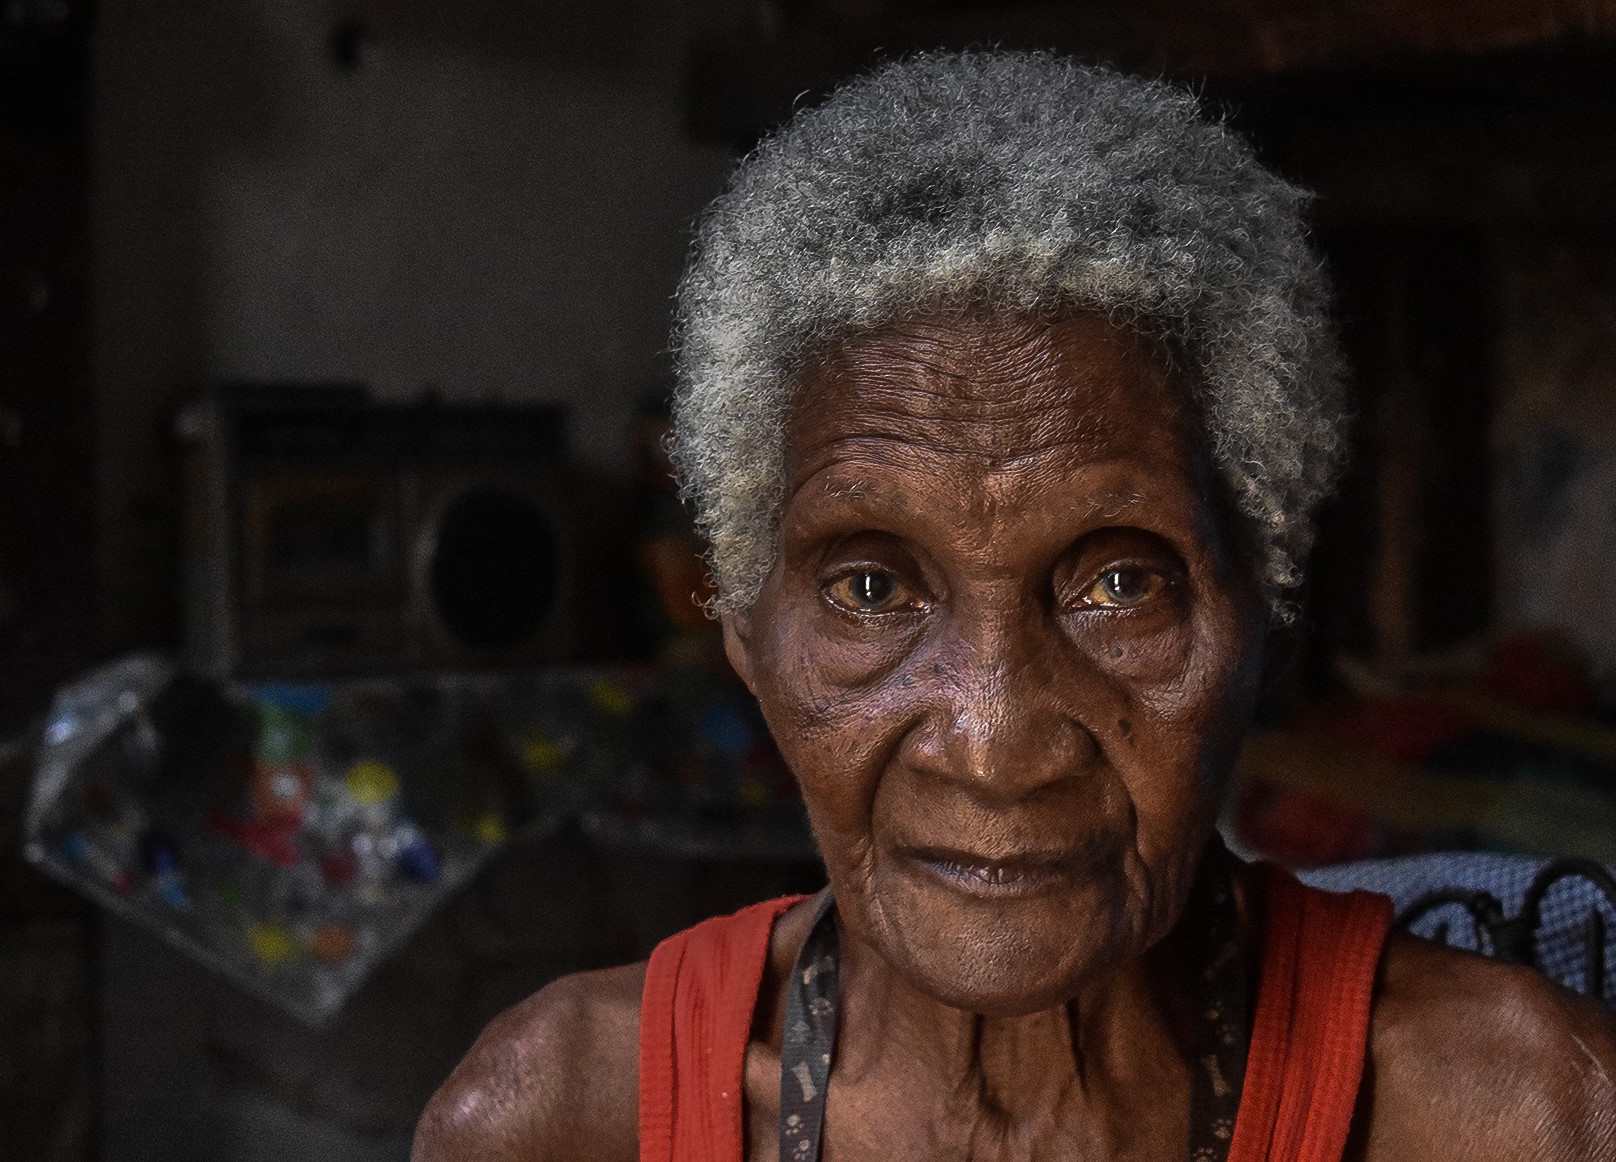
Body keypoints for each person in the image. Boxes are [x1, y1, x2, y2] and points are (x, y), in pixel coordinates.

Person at [414, 51, 1616, 1161]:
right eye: (872, 587)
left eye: (1118, 583)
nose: (995, 745)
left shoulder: (1523, 1119)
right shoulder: (561, 1120)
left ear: (1267, 608)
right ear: (742, 629)